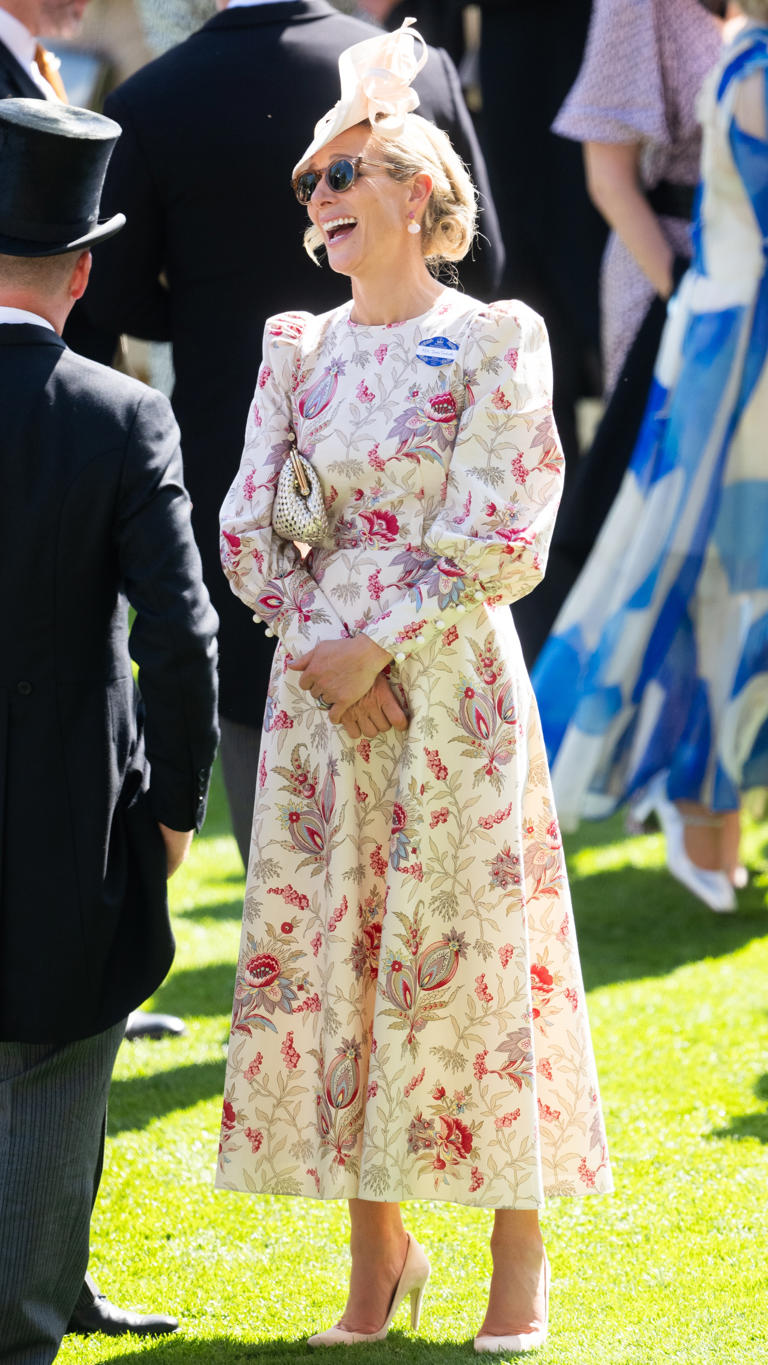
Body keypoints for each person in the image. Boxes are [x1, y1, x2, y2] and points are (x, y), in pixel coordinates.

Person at [215, 21, 611, 1354]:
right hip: (321, 704)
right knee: (342, 963)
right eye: (312, 183)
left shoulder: (497, 337)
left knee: (472, 964)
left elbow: (509, 518)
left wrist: (374, 639)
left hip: (447, 694)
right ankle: (375, 1260)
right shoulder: (296, 349)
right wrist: (320, 651)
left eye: (345, 175)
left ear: (423, 197)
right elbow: (249, 526)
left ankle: (519, 1249)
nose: (318, 198)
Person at [71, 0, 503, 873]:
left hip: (243, 466)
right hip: (420, 505)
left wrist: (200, 307)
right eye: (317, 186)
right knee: (444, 869)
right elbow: (480, 262)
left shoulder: (154, 98)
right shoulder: (411, 69)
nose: (327, 203)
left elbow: (104, 300)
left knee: (281, 791)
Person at [0, 99, 219, 1363]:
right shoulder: (121, 414)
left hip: (67, 796)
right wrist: (179, 808)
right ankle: (29, 1321)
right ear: (84, 272)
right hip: (69, 807)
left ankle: (51, 1298)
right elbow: (181, 636)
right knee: (53, 1058)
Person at [532, 5, 768, 915]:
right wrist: (689, 305)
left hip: (723, 286)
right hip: (683, 291)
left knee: (723, 552)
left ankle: (702, 791)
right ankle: (675, 784)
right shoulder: (643, 7)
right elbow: (608, 172)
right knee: (672, 539)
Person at [513, 0, 728, 665]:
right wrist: (691, 298)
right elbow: (608, 179)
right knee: (663, 519)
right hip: (671, 269)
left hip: (748, 284)